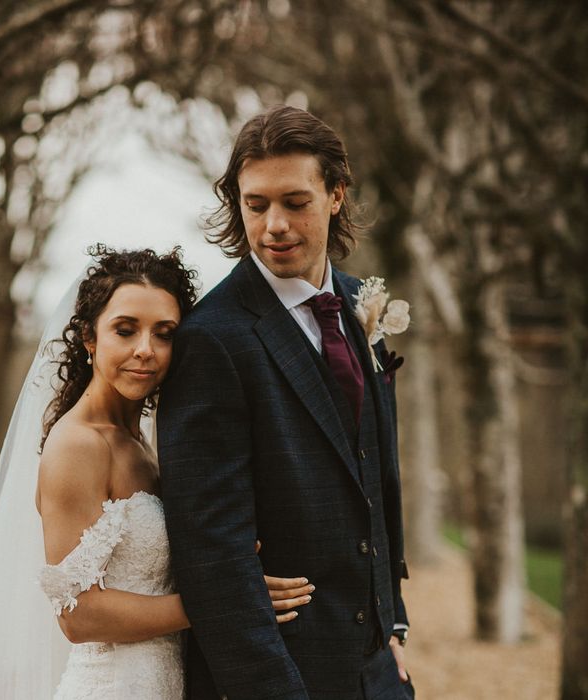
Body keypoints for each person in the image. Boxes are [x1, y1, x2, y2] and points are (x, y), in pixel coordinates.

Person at [0, 246, 314, 700]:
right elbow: (79, 616)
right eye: (125, 330)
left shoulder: (143, 442)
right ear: (90, 339)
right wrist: (226, 600)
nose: (145, 351)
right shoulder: (78, 445)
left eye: (165, 333)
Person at [157, 106, 415, 699]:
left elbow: (374, 474)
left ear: (335, 195)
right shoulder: (212, 338)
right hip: (282, 673)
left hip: (378, 669)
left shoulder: (359, 303)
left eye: (295, 202)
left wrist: (392, 621)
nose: (274, 224)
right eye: (256, 204)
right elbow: (211, 549)